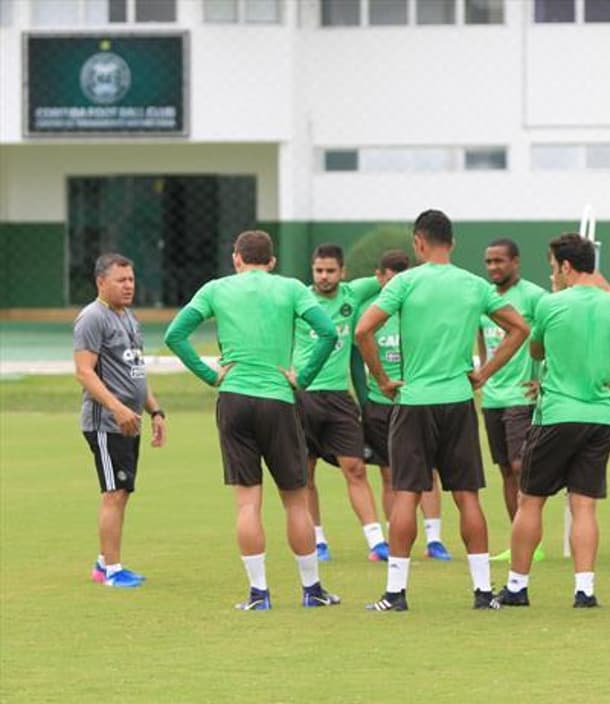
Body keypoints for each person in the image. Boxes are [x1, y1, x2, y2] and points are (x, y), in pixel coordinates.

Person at [355, 209, 529, 612]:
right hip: (458, 401)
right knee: (467, 496)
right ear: (452, 243)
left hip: (414, 401)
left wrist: (381, 379)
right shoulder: (474, 285)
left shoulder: (405, 282)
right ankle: (483, 592)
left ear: (418, 242)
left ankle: (395, 593)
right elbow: (519, 328)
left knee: (405, 495)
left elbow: (364, 329)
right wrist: (483, 372)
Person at [164, 230, 341, 611]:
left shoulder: (216, 289)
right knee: (295, 500)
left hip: (234, 398)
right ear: (272, 261)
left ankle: (259, 594)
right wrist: (303, 377)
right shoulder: (292, 288)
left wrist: (210, 374)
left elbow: (175, 334)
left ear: (236, 258)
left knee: (247, 504)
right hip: (278, 398)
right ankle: (312, 590)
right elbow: (327, 333)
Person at [493, 233, 610, 608]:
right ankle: (585, 590)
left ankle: (516, 587)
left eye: (553, 268)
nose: (552, 275)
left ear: (567, 266)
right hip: (600, 417)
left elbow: (537, 350)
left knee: (530, 500)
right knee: (584, 505)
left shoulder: (550, 304)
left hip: (557, 414)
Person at [74, 253, 167, 588]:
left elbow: (135, 372)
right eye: (121, 280)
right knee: (114, 491)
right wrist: (116, 407)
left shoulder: (129, 317)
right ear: (101, 282)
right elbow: (84, 372)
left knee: (122, 490)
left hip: (129, 420)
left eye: (131, 279)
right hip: (106, 423)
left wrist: (154, 410)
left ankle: (103, 562)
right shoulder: (92, 318)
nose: (129, 286)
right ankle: (111, 570)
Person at [292, 244, 388, 562]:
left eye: (330, 270)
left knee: (355, 467)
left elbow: (392, 275)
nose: (324, 276)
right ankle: (318, 540)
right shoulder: (299, 299)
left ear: (343, 272)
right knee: (305, 473)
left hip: (337, 397)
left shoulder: (353, 294)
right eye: (318, 270)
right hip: (301, 395)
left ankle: (376, 541)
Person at [356, 249, 452, 560]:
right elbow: (357, 361)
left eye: (400, 278)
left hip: (415, 400)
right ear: (380, 276)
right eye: (389, 277)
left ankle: (434, 539)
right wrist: (365, 398)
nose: (394, 284)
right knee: (388, 473)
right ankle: (389, 539)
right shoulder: (370, 312)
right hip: (380, 402)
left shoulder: (415, 310)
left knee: (428, 470)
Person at [476, 238, 547, 563]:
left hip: (521, 394)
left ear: (515, 262)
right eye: (489, 262)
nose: (493, 267)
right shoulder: (484, 297)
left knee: (521, 467)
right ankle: (516, 539)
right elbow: (482, 341)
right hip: (492, 397)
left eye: (499, 261)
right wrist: (483, 375)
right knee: (505, 469)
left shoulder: (534, 297)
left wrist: (543, 378)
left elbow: (553, 336)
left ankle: (533, 541)